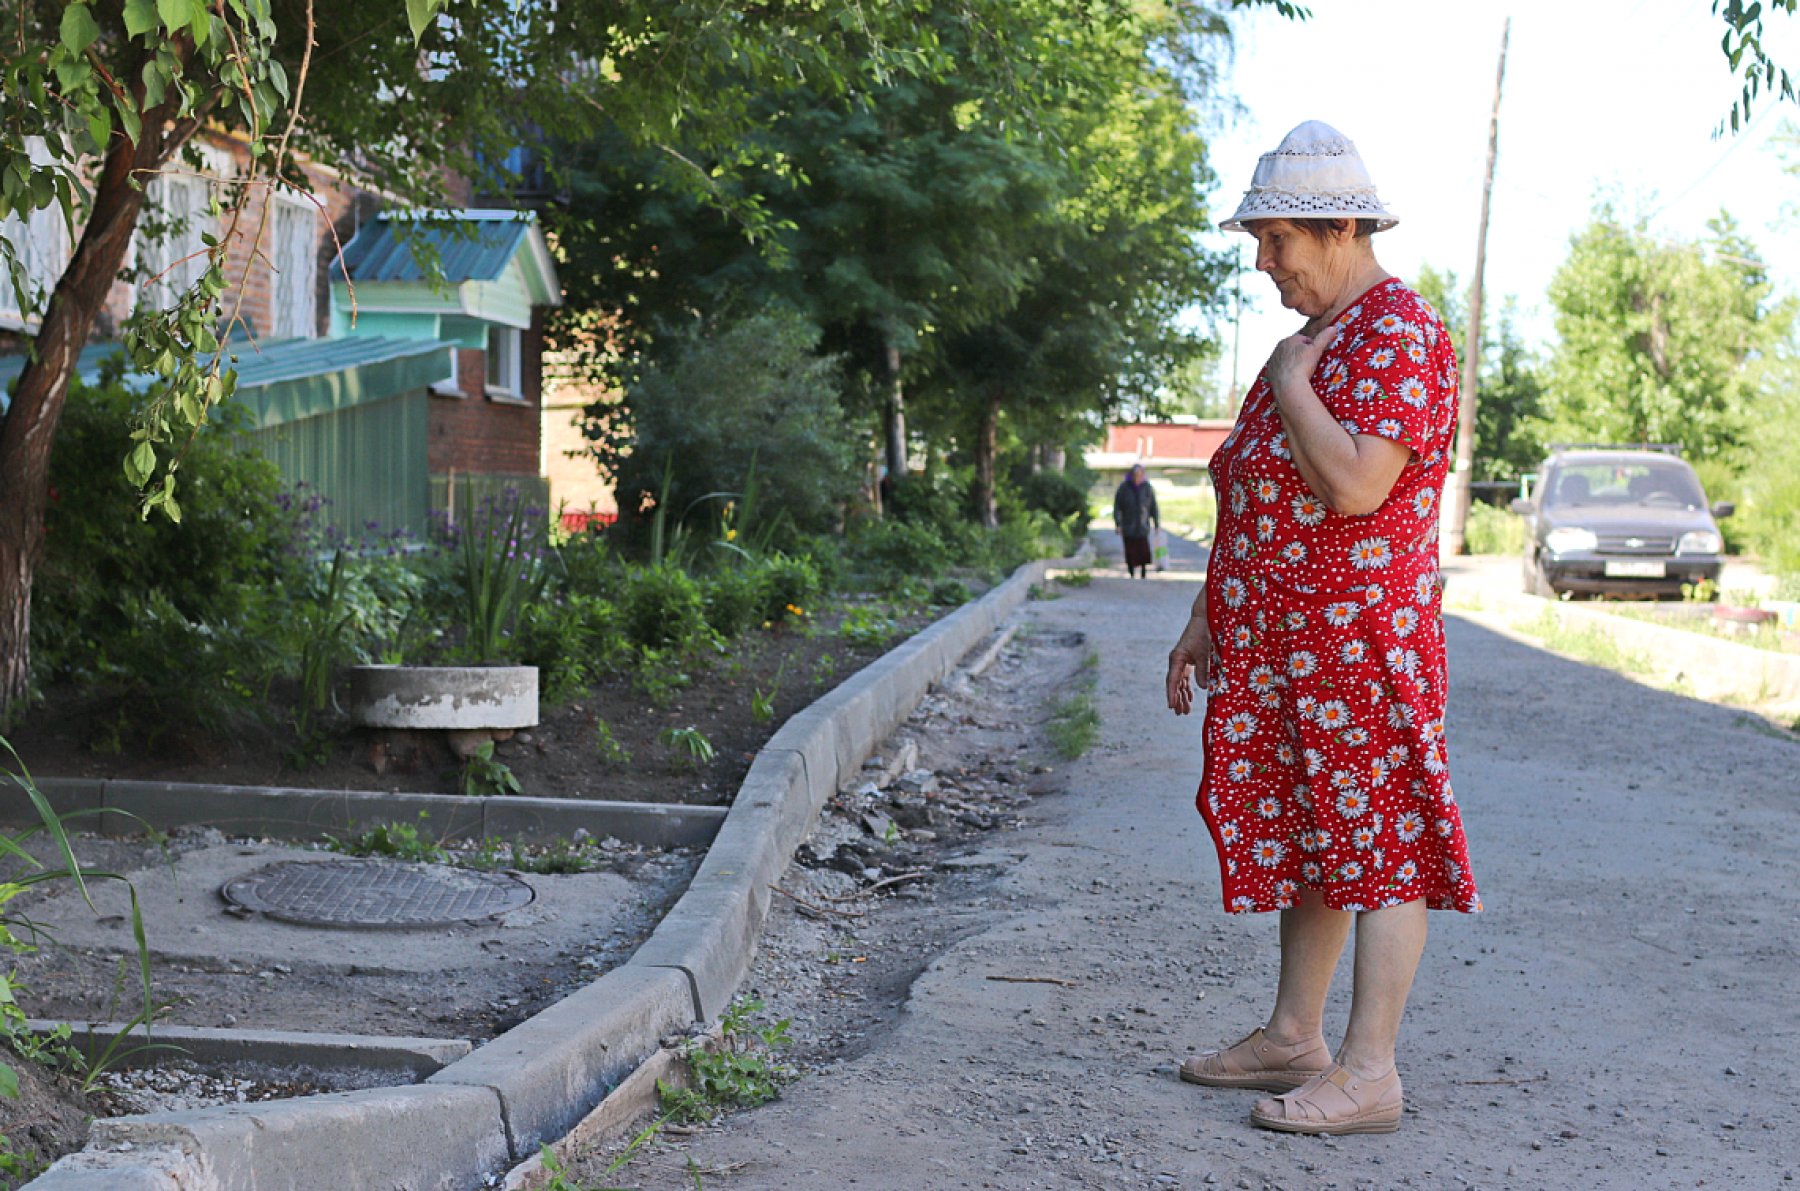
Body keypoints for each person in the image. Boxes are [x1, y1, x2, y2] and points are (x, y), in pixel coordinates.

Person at [1163, 121, 1480, 1136]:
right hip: (1282, 650)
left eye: (1277, 241)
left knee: (1379, 845)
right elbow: (1251, 496)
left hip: (1358, 649)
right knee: (1314, 841)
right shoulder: (1315, 339)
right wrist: (1204, 616)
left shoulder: (1397, 335)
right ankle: (1294, 1035)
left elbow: (1351, 486)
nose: (1263, 264)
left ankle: (1370, 1072)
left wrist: (1294, 383)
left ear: (1341, 226)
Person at [1114, 463, 1161, 579]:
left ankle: (1143, 572)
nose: (1137, 478)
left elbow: (1153, 507)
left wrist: (1157, 524)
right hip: (1128, 525)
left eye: (1140, 475)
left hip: (1142, 525)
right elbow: (1117, 507)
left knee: (1143, 550)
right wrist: (1118, 524)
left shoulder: (1147, 488)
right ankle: (1131, 572)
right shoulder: (1124, 488)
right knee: (1130, 550)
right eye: (1135, 475)